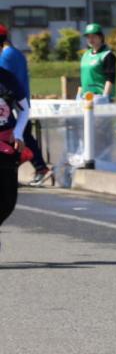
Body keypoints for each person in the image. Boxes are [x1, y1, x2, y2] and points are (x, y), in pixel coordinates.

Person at [0, 25, 51, 187]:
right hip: (17, 105)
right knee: (25, 137)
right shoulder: (18, 54)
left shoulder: (7, 60)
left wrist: (17, 131)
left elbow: (9, 89)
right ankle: (39, 168)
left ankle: (40, 168)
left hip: (11, 111)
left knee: (22, 138)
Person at [0, 64, 31, 246]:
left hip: (6, 143)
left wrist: (19, 133)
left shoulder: (8, 78)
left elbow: (24, 109)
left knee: (8, 200)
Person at [80, 23, 116, 100]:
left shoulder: (107, 55)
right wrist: (79, 94)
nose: (90, 39)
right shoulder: (85, 54)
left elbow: (110, 78)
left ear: (101, 37)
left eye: (93, 36)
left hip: (100, 96)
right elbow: (83, 77)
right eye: (88, 37)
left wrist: (105, 97)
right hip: (85, 97)